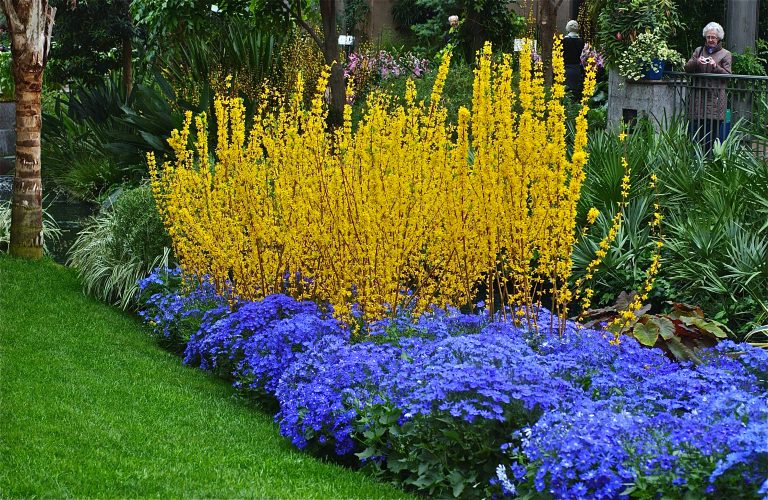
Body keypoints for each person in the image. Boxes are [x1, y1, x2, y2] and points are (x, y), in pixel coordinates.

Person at [684, 22, 732, 151]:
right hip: (697, 99)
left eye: (713, 37)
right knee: (695, 133)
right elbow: (686, 68)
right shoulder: (698, 51)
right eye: (708, 37)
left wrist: (715, 66)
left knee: (712, 135)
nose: (710, 40)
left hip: (715, 100)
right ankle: (695, 163)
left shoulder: (725, 54)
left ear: (719, 38)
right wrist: (696, 62)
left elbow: (728, 75)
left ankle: (709, 163)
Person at [562, 20, 585, 101]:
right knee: (575, 91)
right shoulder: (581, 41)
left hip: (566, 68)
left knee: (566, 90)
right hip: (576, 68)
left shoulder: (565, 40)